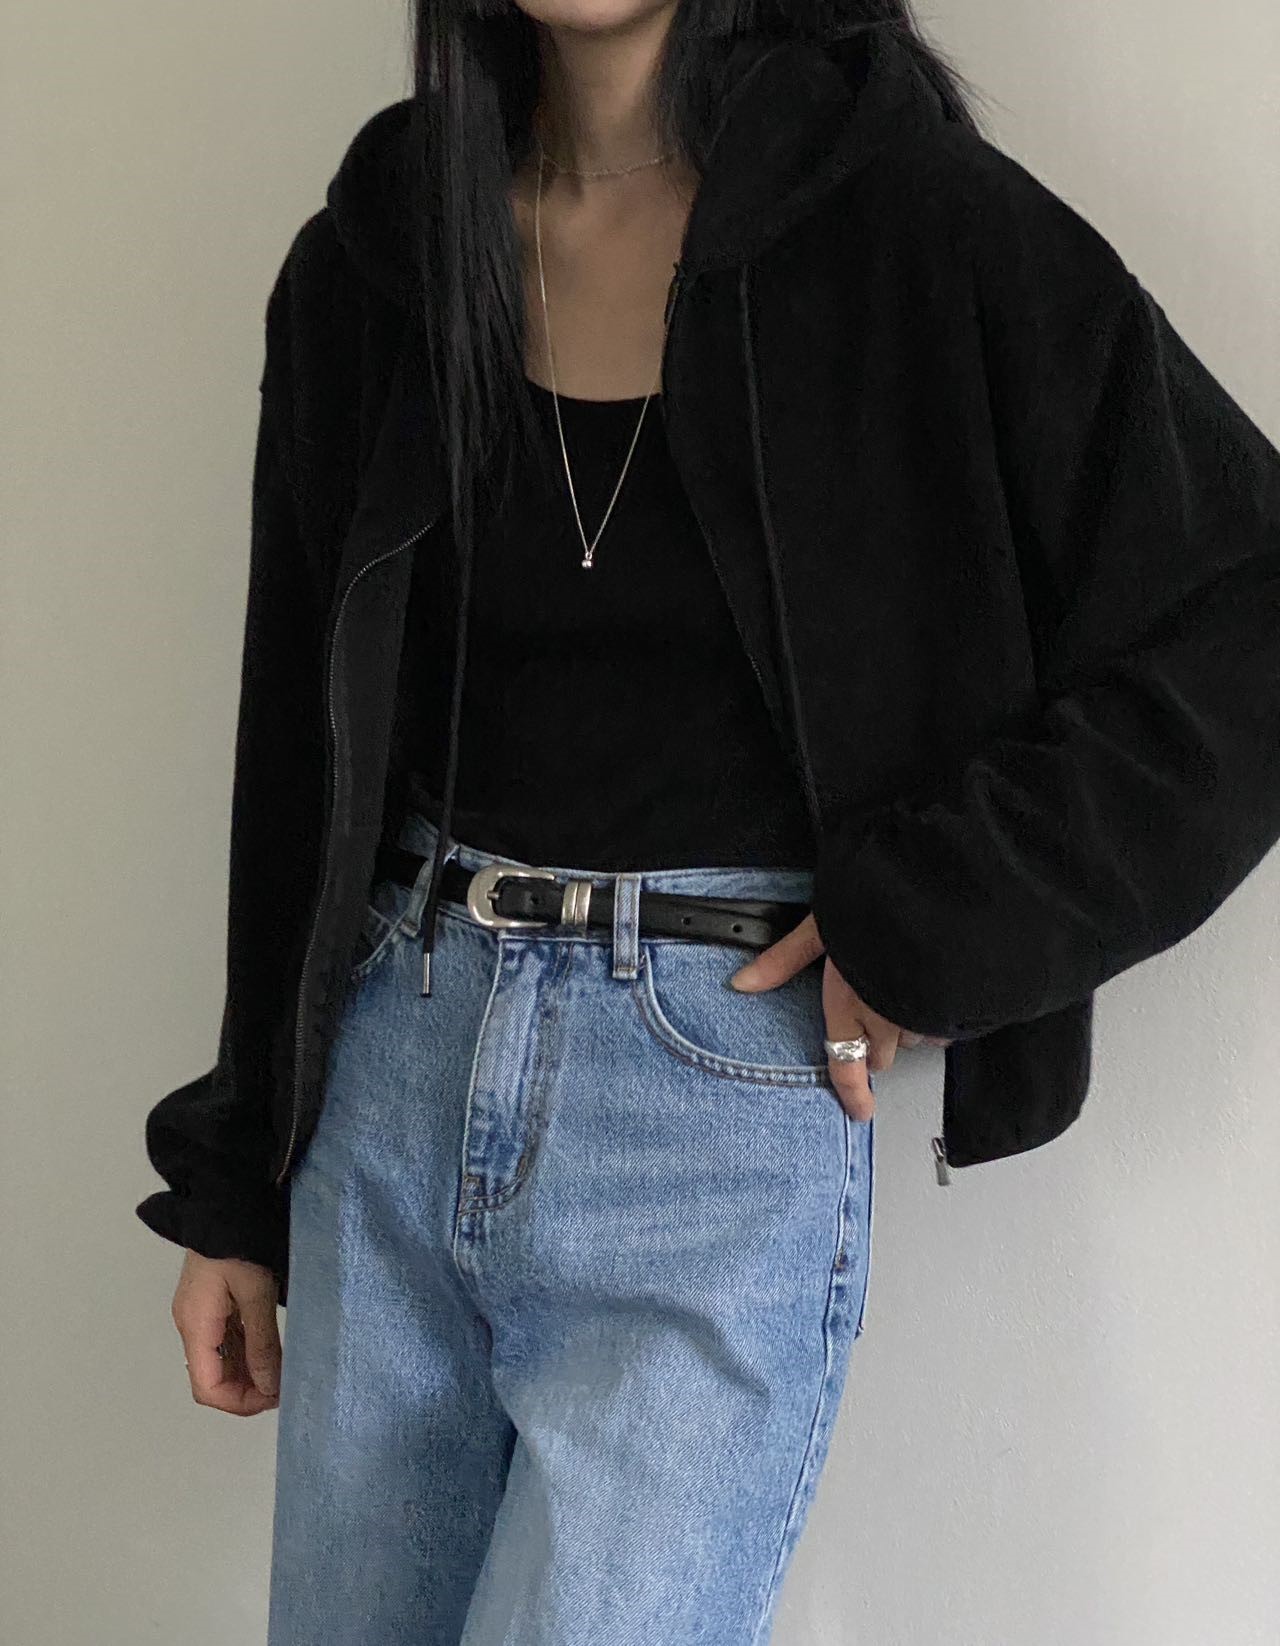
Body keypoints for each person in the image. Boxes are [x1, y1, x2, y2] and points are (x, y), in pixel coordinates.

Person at [136, 3, 1280, 1641]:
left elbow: (1247, 621)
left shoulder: (907, 224)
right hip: (392, 1082)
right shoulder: (384, 248)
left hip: (710, 1120)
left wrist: (937, 916)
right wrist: (238, 1182)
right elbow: (294, 753)